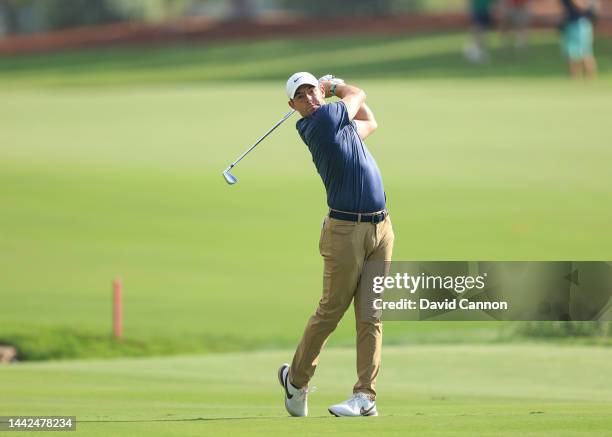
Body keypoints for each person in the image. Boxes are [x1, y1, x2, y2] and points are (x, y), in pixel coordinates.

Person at [277, 72, 394, 417]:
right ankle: (296, 383)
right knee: (331, 311)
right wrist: (334, 85)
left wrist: (333, 92)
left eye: (313, 91)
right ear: (293, 106)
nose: (310, 98)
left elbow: (369, 120)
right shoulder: (321, 123)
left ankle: (365, 396)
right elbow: (359, 93)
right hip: (345, 231)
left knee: (371, 314)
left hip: (381, 227)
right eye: (302, 96)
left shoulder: (339, 127)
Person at [559, 0, 599, 78]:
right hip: (571, 23)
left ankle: (590, 78)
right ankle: (575, 79)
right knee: (571, 53)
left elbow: (582, 5)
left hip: (579, 24)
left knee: (584, 53)